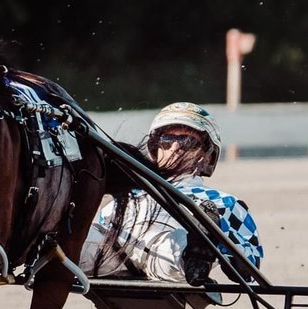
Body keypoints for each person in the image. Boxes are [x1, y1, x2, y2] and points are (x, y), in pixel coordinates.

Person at [79, 102, 262, 285]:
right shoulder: (129, 192)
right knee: (73, 241)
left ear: (208, 155)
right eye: (166, 139)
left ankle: (198, 252)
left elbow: (250, 266)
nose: (175, 147)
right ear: (154, 148)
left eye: (187, 141)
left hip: (164, 253)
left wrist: (226, 254)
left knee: (174, 244)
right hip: (111, 253)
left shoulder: (226, 203)